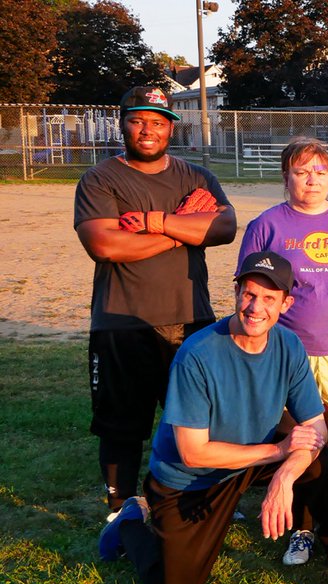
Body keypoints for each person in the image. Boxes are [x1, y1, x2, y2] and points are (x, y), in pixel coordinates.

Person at [98, 252, 328, 584]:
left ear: (286, 303)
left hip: (252, 456)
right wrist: (279, 453)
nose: (256, 308)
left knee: (326, 466)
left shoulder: (288, 345)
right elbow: (194, 452)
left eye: (269, 299)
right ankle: (132, 522)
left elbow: (315, 427)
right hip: (191, 479)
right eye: (249, 294)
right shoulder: (197, 355)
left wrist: (286, 475)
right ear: (237, 291)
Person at [74, 86, 236, 521]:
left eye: (159, 122)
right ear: (122, 122)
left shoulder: (196, 177)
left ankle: (194, 498)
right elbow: (105, 244)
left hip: (191, 317)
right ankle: (121, 506)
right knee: (122, 424)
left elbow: (224, 227)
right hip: (121, 319)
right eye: (138, 120)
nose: (148, 130)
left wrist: (151, 224)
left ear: (170, 128)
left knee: (196, 419)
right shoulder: (101, 178)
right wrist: (181, 227)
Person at [238, 137, 328, 565]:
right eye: (302, 172)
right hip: (288, 353)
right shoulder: (267, 226)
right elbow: (250, 292)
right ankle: (302, 526)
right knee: (297, 437)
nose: (312, 180)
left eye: (320, 171)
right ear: (286, 177)